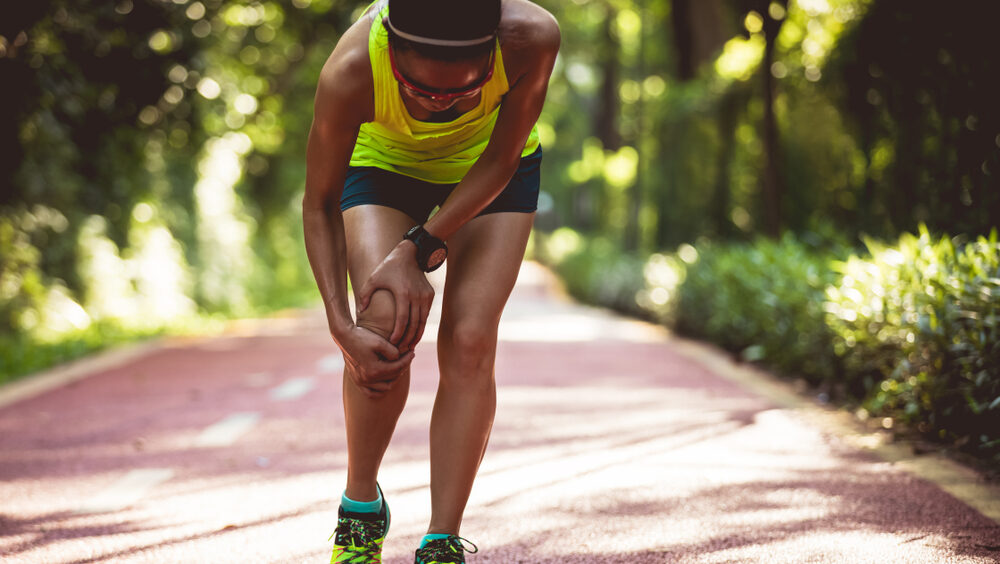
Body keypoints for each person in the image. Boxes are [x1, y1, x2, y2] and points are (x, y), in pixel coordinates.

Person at [302, 0, 559, 561]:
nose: (439, 103)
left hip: (490, 170)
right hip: (386, 166)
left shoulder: (531, 38)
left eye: (460, 93)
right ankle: (361, 509)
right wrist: (339, 324)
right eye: (421, 91)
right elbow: (318, 202)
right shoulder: (352, 69)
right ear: (393, 55)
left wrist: (417, 245)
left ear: (490, 53)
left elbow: (501, 158)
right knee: (383, 322)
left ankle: (442, 539)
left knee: (469, 338)